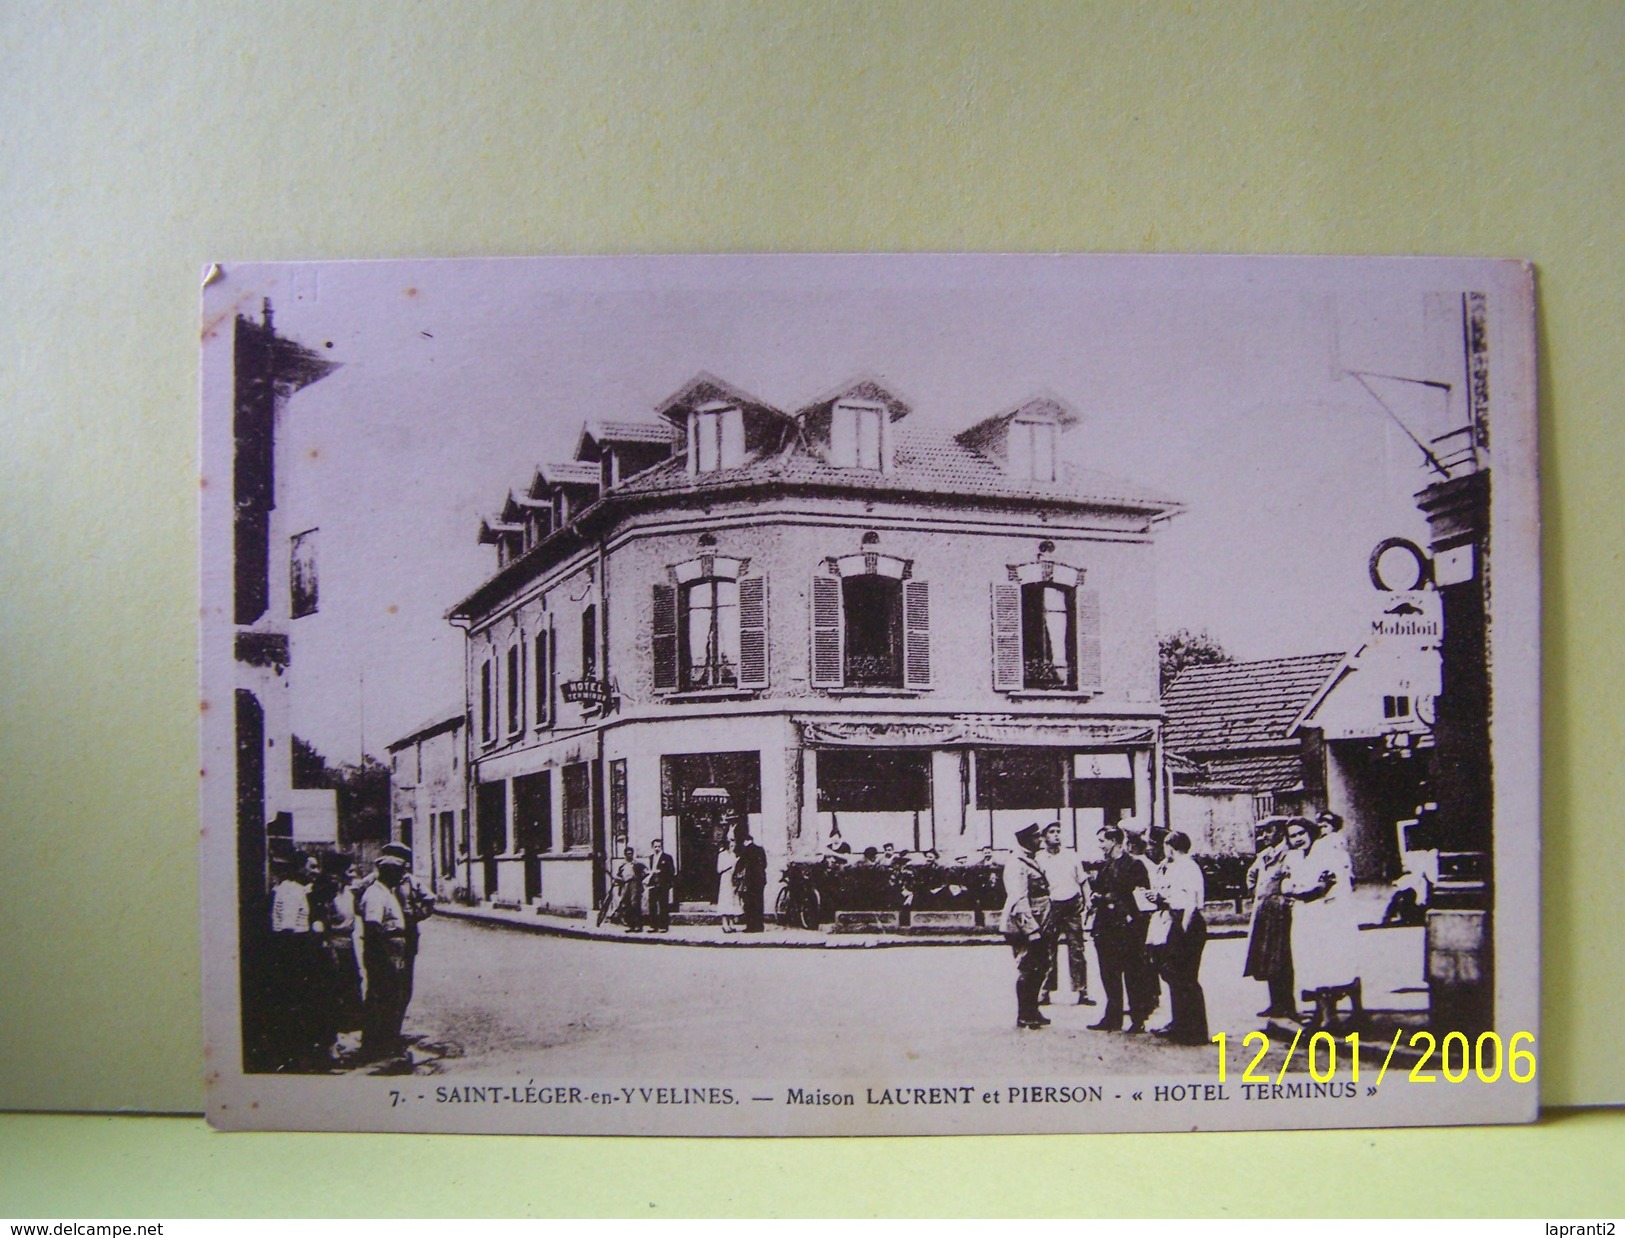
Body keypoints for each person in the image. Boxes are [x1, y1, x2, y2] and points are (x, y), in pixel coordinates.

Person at [1283, 815, 1360, 1027]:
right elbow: (1286, 884)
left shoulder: (1326, 853)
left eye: (1301, 833)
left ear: (1310, 832)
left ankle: (1333, 1016)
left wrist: (1297, 892)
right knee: (1309, 964)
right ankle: (1320, 1012)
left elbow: (1321, 888)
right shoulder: (1294, 858)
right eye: (1293, 836)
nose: (1298, 839)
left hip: (1327, 916)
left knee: (1331, 964)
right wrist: (1295, 890)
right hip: (1304, 917)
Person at [357, 844, 426, 1060]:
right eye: (397, 873)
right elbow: (373, 928)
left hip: (394, 953)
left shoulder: (386, 892)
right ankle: (377, 1046)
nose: (401, 877)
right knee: (382, 999)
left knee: (391, 999)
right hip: (384, 954)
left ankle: (385, 1042)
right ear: (388, 872)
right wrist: (385, 960)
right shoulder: (376, 894)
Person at [1088, 825, 1156, 1034]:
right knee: (1109, 974)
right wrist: (1096, 897)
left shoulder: (1134, 865)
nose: (1100, 846)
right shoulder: (1106, 865)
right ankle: (1112, 1017)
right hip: (1105, 927)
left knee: (1133, 973)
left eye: (1102, 841)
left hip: (1128, 928)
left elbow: (1139, 894)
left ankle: (1137, 1018)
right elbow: (1099, 890)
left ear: (1115, 842)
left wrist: (1107, 898)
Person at [1147, 832, 1209, 1044]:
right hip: (1177, 919)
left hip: (1186, 922)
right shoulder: (1176, 866)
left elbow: (1190, 902)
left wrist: (1183, 929)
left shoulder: (1188, 867)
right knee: (1176, 975)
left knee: (1186, 977)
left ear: (1170, 847)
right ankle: (1180, 1023)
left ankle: (1194, 1030)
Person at [268, 853, 325, 1069]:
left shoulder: (289, 888)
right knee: (295, 1003)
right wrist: (297, 960)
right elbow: (289, 928)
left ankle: (293, 1053)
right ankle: (294, 1056)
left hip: (291, 950)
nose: (316, 871)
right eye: (311, 867)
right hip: (293, 951)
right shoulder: (292, 891)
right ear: (299, 868)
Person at [1000, 823, 1055, 1029]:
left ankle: (1032, 1009)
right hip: (1026, 926)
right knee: (1028, 967)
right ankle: (1024, 1013)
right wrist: (1031, 931)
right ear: (1025, 840)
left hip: (1039, 922)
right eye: (1035, 837)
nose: (1040, 840)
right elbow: (1019, 900)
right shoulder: (1017, 863)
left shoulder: (1029, 859)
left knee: (1041, 966)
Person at [1036, 822, 1094, 1007]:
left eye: (1059, 831)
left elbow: (1083, 881)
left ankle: (1082, 990)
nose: (1056, 835)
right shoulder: (1039, 858)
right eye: (1052, 832)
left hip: (1071, 905)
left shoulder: (1071, 855)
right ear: (1044, 837)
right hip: (1051, 906)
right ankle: (1045, 991)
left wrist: (1088, 900)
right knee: (1047, 949)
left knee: (1077, 948)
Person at [1243, 818, 1297, 1018]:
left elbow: (1293, 879)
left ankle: (1288, 1006)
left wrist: (1284, 899)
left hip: (1281, 913)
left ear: (1281, 833)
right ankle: (1275, 1003)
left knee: (1282, 960)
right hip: (1264, 912)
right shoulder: (1264, 855)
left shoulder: (1289, 854)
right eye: (1262, 832)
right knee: (1267, 960)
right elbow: (1251, 874)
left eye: (1269, 831)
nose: (1264, 836)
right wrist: (1255, 893)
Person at [735, 829, 768, 933]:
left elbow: (740, 865)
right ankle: (760, 926)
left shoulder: (746, 851)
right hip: (761, 880)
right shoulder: (760, 849)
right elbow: (765, 864)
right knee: (759, 902)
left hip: (750, 881)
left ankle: (751, 926)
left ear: (745, 840)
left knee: (749, 904)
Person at [611, 846, 647, 933]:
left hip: (635, 885)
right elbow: (617, 876)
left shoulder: (637, 864)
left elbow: (646, 873)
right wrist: (619, 880)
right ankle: (631, 925)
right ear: (625, 855)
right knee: (627, 905)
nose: (629, 855)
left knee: (635, 904)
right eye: (627, 854)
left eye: (630, 854)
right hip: (625, 885)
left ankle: (638, 925)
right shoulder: (622, 865)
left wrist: (639, 879)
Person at [646, 838, 676, 933]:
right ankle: (653, 926)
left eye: (659, 846)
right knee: (652, 905)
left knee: (663, 905)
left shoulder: (667, 857)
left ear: (662, 847)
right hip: (653, 884)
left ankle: (663, 926)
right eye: (655, 846)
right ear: (652, 847)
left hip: (663, 883)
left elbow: (672, 871)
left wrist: (662, 873)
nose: (657, 848)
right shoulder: (651, 858)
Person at [715, 838, 743, 932]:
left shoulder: (733, 855)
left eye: (733, 845)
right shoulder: (722, 855)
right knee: (725, 899)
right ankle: (724, 924)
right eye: (731, 845)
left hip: (732, 878)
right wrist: (730, 865)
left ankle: (731, 923)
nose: (732, 847)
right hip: (726, 878)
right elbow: (719, 869)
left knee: (732, 900)